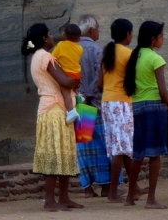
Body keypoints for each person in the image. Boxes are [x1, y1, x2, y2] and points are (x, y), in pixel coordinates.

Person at [23, 23, 83, 212]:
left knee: (63, 153)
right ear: (43, 39)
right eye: (49, 35)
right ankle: (51, 200)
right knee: (55, 154)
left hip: (54, 108)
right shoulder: (45, 57)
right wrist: (77, 79)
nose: (52, 38)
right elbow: (64, 81)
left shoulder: (37, 56)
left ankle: (63, 198)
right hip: (54, 109)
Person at [124, 21, 168, 208]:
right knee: (155, 154)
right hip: (155, 107)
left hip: (138, 106)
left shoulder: (135, 56)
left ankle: (130, 197)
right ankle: (151, 199)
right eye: (161, 35)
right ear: (153, 38)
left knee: (138, 153)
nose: (162, 38)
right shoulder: (156, 59)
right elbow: (162, 89)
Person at [75, 14, 112, 198]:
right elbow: (100, 78)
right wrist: (90, 95)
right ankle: (106, 185)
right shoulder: (98, 50)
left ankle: (87, 187)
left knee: (84, 146)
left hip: (80, 104)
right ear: (91, 30)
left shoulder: (72, 49)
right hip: (97, 103)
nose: (99, 31)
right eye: (98, 28)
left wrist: (82, 97)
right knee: (105, 144)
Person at [100, 18, 134, 202]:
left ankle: (133, 187)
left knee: (122, 146)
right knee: (121, 149)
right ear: (128, 34)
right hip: (121, 102)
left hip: (107, 101)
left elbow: (100, 83)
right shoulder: (128, 54)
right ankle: (113, 193)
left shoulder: (107, 52)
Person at [52, 23, 83, 123]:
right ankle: (79, 96)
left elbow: (53, 57)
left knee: (66, 93)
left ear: (64, 35)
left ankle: (71, 112)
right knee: (73, 90)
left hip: (67, 74)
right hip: (77, 74)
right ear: (79, 38)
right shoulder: (80, 48)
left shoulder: (61, 45)